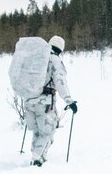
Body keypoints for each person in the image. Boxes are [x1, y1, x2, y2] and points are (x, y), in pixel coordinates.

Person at [24, 35, 77, 166]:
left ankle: (38, 156)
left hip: (29, 100)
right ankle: (36, 159)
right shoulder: (55, 60)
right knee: (48, 131)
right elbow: (60, 81)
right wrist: (69, 100)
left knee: (37, 131)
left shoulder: (36, 58)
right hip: (44, 102)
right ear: (60, 49)